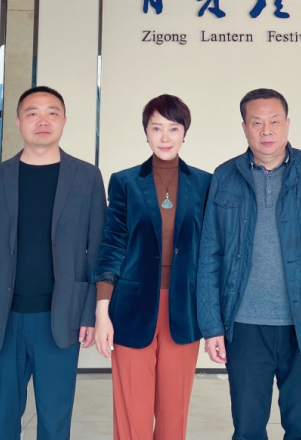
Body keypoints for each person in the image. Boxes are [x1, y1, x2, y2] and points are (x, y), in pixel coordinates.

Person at [197, 88, 301, 440]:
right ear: (244, 128)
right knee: (248, 429)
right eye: (257, 122)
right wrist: (211, 326)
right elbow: (209, 256)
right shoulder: (225, 176)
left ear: (287, 124)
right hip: (244, 324)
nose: (266, 130)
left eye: (274, 121)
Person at [0, 86, 107, 440]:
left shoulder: (87, 177)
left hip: (60, 317)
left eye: (52, 113)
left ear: (64, 120)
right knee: (3, 419)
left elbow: (98, 252)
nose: (43, 120)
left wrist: (89, 313)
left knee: (55, 420)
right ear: (18, 121)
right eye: (33, 113)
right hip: (1, 319)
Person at [94, 94, 213, 440]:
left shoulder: (205, 183)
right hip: (131, 307)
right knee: (133, 413)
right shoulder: (125, 181)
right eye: (156, 128)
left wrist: (213, 317)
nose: (165, 137)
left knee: (174, 414)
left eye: (173, 128)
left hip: (184, 308)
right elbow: (112, 245)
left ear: (185, 132)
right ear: (145, 132)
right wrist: (102, 311)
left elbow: (211, 254)